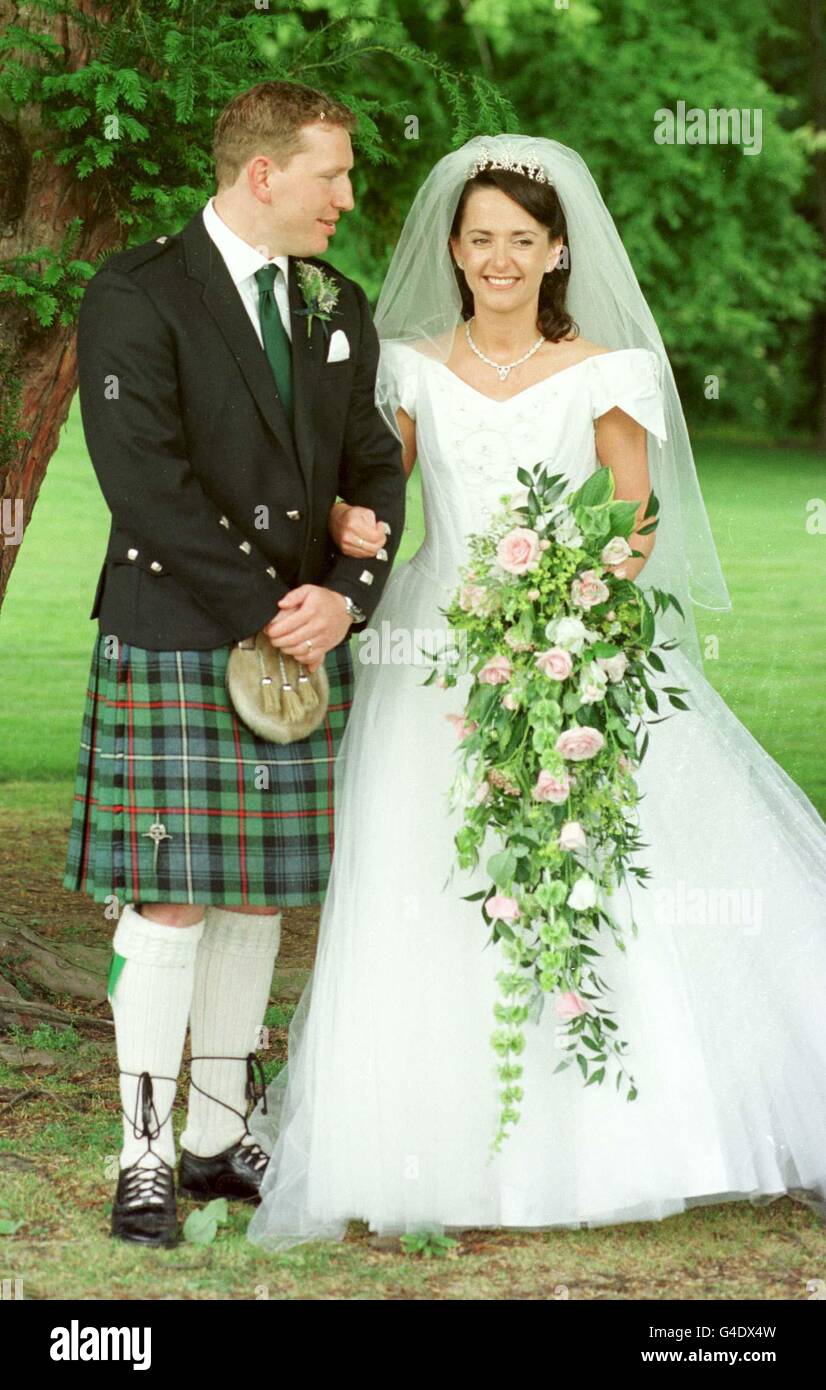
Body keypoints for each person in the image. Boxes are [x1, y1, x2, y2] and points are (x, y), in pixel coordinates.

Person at [245, 134, 826, 1251]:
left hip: (567, 638)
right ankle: (421, 1142)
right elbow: (381, 488)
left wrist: (567, 606)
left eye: (521, 240)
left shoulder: (610, 370)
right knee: (427, 871)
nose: (498, 259)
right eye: (479, 241)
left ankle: (615, 1140)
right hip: (431, 651)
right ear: (453, 252)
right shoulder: (408, 365)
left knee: (583, 871)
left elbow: (631, 515)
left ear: (557, 252)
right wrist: (342, 524)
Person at [62, 80, 406, 1247]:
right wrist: (275, 606)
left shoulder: (333, 303)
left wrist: (349, 595)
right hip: (179, 634)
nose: (347, 201)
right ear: (263, 173)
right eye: (332, 176)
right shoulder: (139, 293)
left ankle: (215, 1134)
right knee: (169, 899)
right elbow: (142, 480)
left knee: (255, 890)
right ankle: (146, 1149)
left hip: (295, 639)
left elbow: (376, 465)